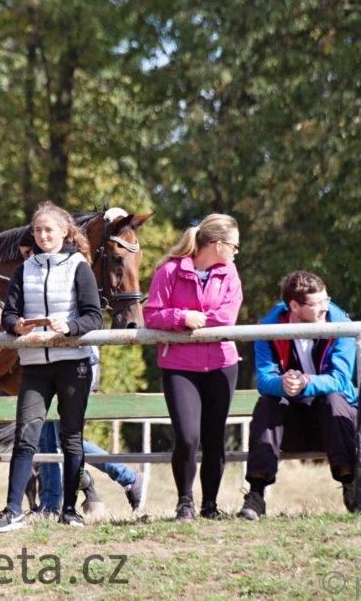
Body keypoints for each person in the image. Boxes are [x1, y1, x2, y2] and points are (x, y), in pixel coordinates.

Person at [0, 202, 103, 532]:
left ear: (64, 231)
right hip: (34, 365)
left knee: (72, 439)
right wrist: (17, 326)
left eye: (48, 229)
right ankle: (12, 510)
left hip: (73, 365)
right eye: (37, 230)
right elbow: (8, 314)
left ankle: (70, 510)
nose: (43, 235)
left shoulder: (79, 266)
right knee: (25, 437)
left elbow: (94, 316)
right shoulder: (24, 269)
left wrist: (71, 327)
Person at [15, 229, 144, 516]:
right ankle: (56, 501)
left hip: (76, 360)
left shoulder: (74, 269)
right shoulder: (37, 273)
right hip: (50, 360)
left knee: (61, 437)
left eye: (28, 253)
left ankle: (123, 477)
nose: (27, 259)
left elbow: (87, 317)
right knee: (49, 437)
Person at [143, 213, 243, 521]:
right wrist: (181, 317)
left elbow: (227, 317)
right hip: (179, 365)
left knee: (214, 437)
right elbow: (151, 315)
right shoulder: (169, 271)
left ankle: (209, 504)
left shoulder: (230, 273)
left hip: (221, 363)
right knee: (187, 437)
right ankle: (184, 500)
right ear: (217, 244)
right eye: (234, 246)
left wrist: (196, 320)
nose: (236, 252)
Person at [238, 271, 358, 520]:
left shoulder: (343, 327)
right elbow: (264, 380)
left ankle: (352, 486)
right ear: (294, 306)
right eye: (316, 304)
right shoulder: (267, 330)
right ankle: (256, 495)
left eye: (326, 300)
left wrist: (305, 382)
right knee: (268, 403)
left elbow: (340, 379)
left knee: (334, 399)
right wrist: (284, 384)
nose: (325, 308)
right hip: (289, 428)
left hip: (334, 426)